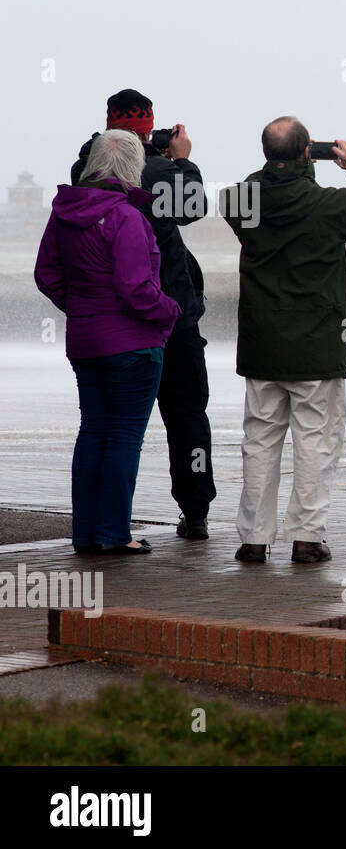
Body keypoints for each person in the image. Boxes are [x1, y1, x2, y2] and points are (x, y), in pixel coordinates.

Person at [218, 117, 346, 563]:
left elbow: (237, 194)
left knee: (259, 441)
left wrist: (279, 167)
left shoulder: (244, 201)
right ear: (306, 154)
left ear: (266, 156)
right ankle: (306, 537)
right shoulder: (326, 205)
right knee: (315, 441)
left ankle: (254, 539)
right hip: (316, 346)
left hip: (262, 345)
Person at [71, 89, 216, 542]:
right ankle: (195, 512)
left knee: (102, 428)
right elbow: (192, 208)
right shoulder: (158, 171)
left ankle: (97, 526)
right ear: (148, 128)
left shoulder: (85, 169)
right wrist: (182, 161)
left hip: (103, 322)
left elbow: (50, 274)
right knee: (186, 415)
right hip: (166, 315)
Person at [35, 131, 181, 554]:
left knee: (94, 432)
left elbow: (47, 276)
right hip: (133, 347)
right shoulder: (126, 217)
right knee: (123, 438)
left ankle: (86, 534)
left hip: (86, 342)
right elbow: (136, 289)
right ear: (133, 169)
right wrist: (171, 310)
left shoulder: (63, 214)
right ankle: (114, 534)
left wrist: (82, 307)